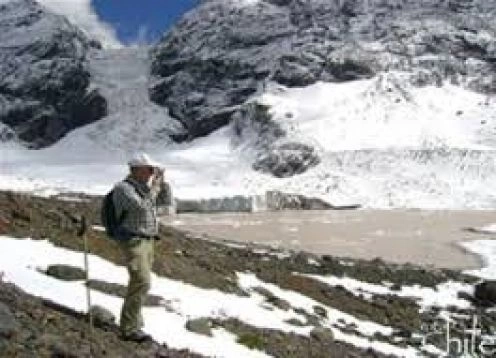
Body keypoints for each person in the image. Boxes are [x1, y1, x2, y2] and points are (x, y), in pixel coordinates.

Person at [112, 152, 173, 342]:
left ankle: (135, 323)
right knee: (142, 281)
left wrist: (163, 183)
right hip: (133, 240)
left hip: (147, 240)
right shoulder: (123, 188)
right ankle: (129, 328)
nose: (151, 173)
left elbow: (164, 202)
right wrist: (154, 187)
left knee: (141, 283)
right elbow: (140, 207)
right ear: (136, 170)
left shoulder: (143, 188)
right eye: (148, 169)